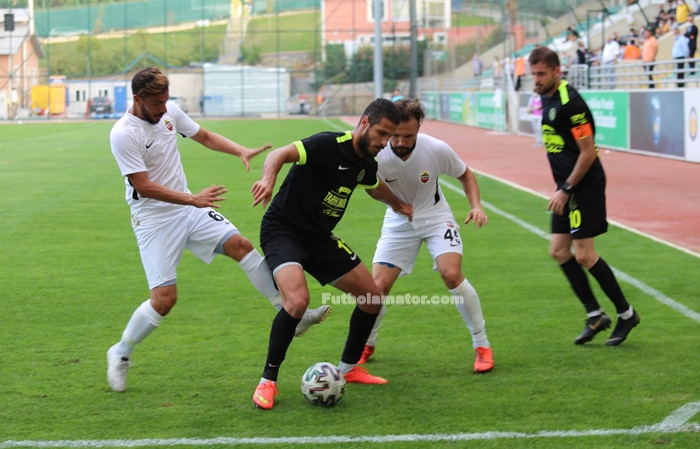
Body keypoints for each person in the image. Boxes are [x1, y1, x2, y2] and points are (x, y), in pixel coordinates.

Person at [107, 67, 330, 392]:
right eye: (157, 103)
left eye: (166, 101)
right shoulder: (124, 133)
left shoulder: (169, 113)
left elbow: (204, 136)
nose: (163, 108)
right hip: (154, 219)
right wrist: (191, 198)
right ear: (138, 99)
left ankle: (288, 314)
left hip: (189, 208)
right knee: (165, 299)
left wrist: (239, 149)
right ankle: (121, 352)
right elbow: (143, 186)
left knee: (240, 245)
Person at [249, 98, 413, 410]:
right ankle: (268, 381)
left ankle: (349, 368)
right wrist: (268, 179)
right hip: (282, 231)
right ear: (364, 123)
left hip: (319, 239)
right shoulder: (328, 144)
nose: (385, 142)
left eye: (389, 137)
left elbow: (374, 185)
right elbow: (279, 154)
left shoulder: (366, 163)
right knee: (297, 301)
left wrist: (398, 204)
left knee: (372, 298)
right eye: (381, 133)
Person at [357, 98, 494, 373]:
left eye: (408, 136)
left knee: (452, 274)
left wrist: (476, 206)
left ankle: (482, 345)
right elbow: (370, 187)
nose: (399, 142)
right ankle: (367, 343)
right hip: (398, 221)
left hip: (435, 217)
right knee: (376, 289)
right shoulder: (377, 153)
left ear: (419, 128)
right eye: (395, 135)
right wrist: (396, 205)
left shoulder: (436, 149)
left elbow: (465, 175)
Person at [528, 47, 640, 347]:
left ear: (556, 71)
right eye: (533, 74)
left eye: (541, 74)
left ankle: (626, 314)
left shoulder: (571, 103)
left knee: (585, 255)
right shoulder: (546, 96)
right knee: (559, 251)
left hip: (583, 187)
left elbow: (588, 152)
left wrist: (565, 189)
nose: (536, 80)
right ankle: (595, 314)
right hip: (566, 188)